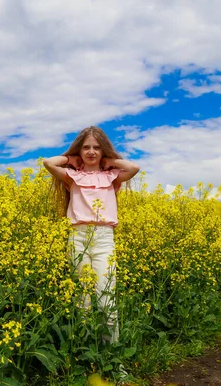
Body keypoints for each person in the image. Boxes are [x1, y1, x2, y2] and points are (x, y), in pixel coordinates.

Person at [43, 126, 140, 345]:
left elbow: (134, 167)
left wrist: (111, 161)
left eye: (97, 148)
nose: (91, 152)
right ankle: (85, 353)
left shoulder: (112, 176)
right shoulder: (72, 176)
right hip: (78, 237)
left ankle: (113, 355)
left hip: (104, 238)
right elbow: (49, 163)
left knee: (106, 299)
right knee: (83, 300)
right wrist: (70, 158)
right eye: (85, 147)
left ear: (103, 151)